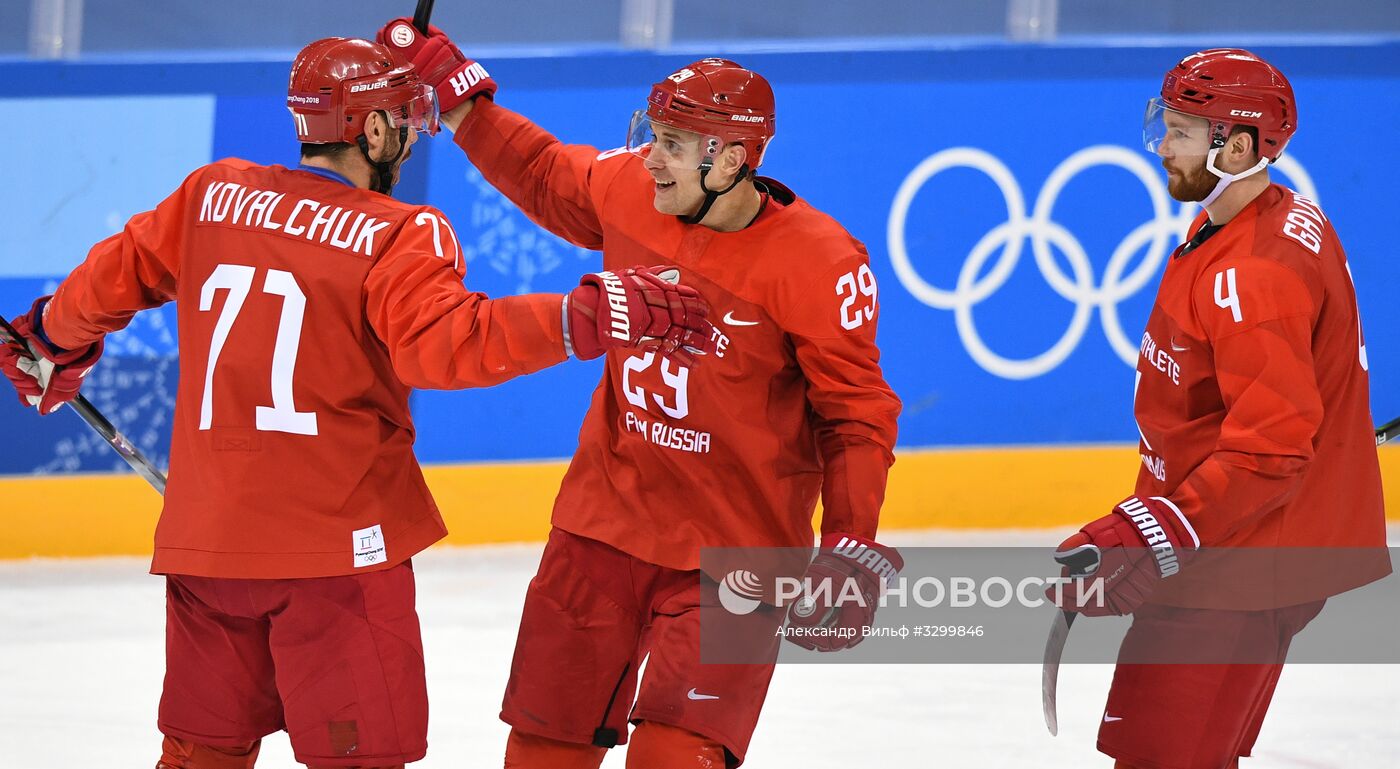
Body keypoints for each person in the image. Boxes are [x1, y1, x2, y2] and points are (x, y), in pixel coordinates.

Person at [0, 36, 713, 769]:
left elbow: (112, 277)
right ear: (372, 131)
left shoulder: (211, 194)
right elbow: (450, 346)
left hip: (206, 549)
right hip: (336, 559)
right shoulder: (402, 233)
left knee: (196, 756)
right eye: (401, 120)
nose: (407, 139)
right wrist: (582, 317)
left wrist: (50, 340)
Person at [373, 19, 904, 769]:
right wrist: (460, 100)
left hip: (736, 551)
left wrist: (852, 538)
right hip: (602, 525)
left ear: (732, 159)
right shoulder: (632, 190)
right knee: (542, 749)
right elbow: (546, 176)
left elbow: (854, 415)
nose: (650, 160)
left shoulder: (819, 263)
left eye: (673, 147)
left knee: (674, 757)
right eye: (651, 136)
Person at [1048, 49, 1389, 769]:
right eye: (1163, 126)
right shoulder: (1265, 217)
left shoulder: (1253, 274)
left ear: (1237, 146)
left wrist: (1161, 524)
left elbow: (1273, 446)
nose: (1161, 148)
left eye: (1180, 132)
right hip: (1235, 544)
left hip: (1242, 557)